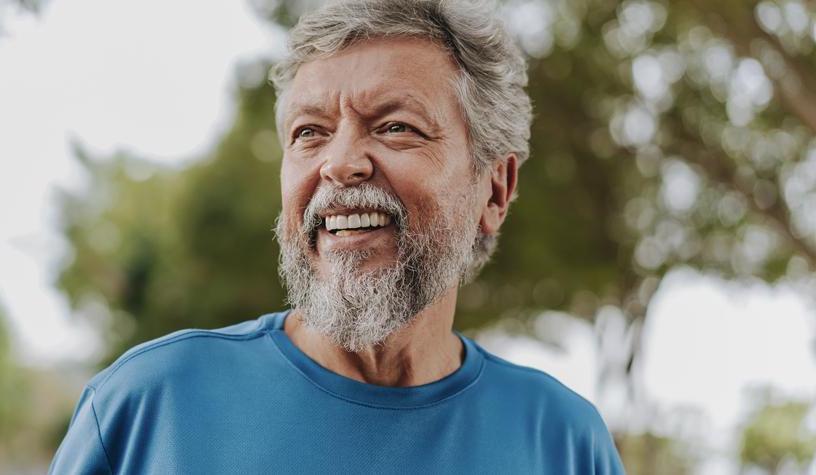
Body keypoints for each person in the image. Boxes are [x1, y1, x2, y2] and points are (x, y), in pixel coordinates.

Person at [49, 0, 626, 473]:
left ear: (494, 190)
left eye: (396, 127)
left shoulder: (564, 443)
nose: (340, 163)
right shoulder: (148, 407)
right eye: (310, 133)